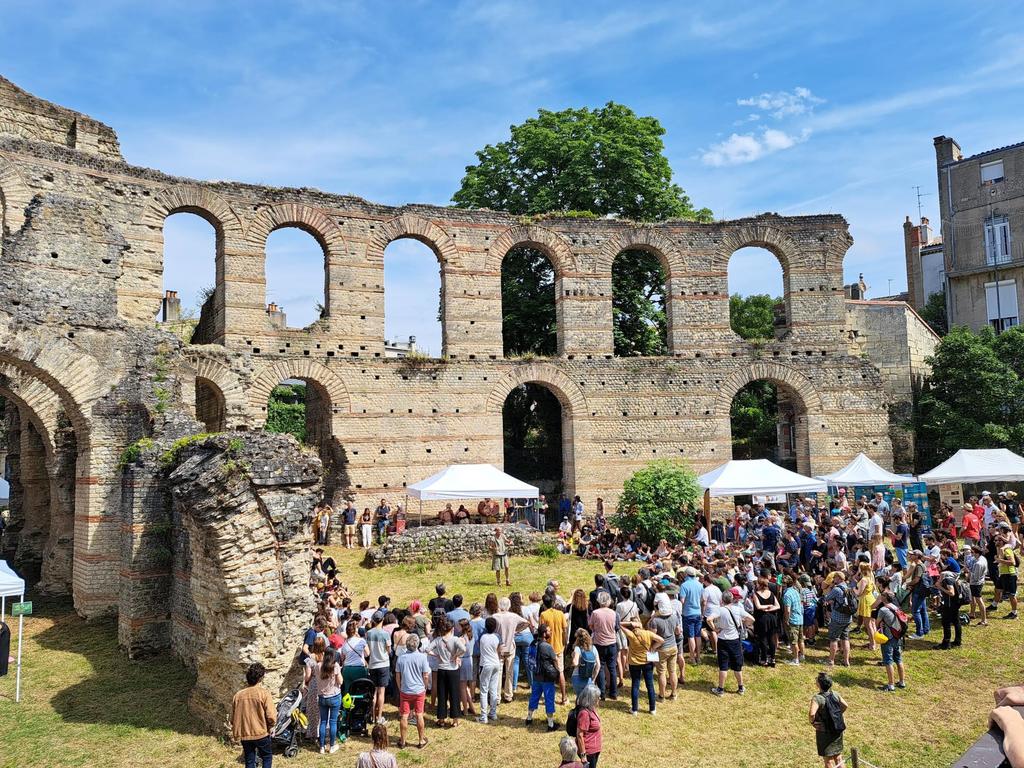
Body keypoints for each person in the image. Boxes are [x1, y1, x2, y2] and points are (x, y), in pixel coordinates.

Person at [230, 662, 276, 768]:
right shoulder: (264, 693)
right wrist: (271, 725)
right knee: (267, 757)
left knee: (249, 760)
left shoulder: (238, 695)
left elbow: (233, 718)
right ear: (261, 678)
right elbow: (271, 716)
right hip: (261, 733)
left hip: (245, 734)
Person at [710, 589, 753, 696]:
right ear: (732, 599)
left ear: (722, 600)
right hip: (734, 639)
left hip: (723, 639)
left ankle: (720, 689)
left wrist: (715, 629)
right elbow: (751, 618)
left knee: (723, 665)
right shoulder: (737, 609)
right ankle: (741, 687)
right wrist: (744, 623)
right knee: (737, 665)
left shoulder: (720, 610)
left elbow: (709, 619)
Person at [427, 615, 466, 728]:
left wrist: (437, 655)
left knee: (442, 694)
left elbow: (427, 649)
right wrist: (456, 655)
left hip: (442, 669)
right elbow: (463, 649)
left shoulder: (438, 640)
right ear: (452, 629)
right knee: (454, 694)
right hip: (453, 670)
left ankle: (441, 719)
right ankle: (455, 720)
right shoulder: (455, 639)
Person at [394, 634, 430, 749]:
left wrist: (400, 688)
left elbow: (397, 675)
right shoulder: (422, 657)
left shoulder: (401, 658)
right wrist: (425, 687)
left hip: (405, 690)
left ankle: (403, 741)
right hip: (419, 690)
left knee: (404, 715)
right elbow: (425, 675)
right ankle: (421, 740)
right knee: (419, 714)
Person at [621, 619, 663, 715]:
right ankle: (652, 709)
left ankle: (634, 709)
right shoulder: (648, 633)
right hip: (647, 662)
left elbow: (619, 624)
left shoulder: (631, 634)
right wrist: (653, 647)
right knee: (650, 685)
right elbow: (661, 640)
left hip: (634, 663)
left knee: (635, 685)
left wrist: (630, 623)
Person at [809, 672, 848, 768]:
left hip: (824, 732)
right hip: (837, 729)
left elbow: (812, 713)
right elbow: (845, 705)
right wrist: (836, 715)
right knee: (838, 757)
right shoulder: (835, 694)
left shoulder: (817, 698)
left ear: (819, 684)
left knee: (828, 761)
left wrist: (812, 722)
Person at [526, 623, 560, 731]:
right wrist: (558, 672)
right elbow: (555, 660)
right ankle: (550, 724)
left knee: (534, 696)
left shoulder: (533, 643)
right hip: (547, 677)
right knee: (549, 698)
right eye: (549, 631)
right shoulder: (547, 646)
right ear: (544, 633)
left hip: (536, 675)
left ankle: (529, 718)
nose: (550, 632)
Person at [874, 590, 907, 692]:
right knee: (898, 659)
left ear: (884, 598)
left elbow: (877, 623)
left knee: (888, 661)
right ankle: (902, 682)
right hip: (898, 637)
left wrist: (881, 624)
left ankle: (891, 684)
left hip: (888, 638)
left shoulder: (883, 610)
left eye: (882, 595)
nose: (880, 596)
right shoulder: (895, 607)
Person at [539, 593, 569, 705]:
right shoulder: (560, 613)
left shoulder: (543, 615)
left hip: (547, 648)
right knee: (560, 672)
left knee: (547, 673)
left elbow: (541, 631)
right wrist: (565, 642)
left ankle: (548, 697)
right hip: (558, 647)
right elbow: (565, 630)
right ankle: (564, 697)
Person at [649, 600, 680, 701]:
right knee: (672, 671)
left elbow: (652, 636)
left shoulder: (655, 620)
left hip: (661, 649)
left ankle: (661, 695)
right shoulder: (674, 617)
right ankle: (674, 694)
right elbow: (678, 631)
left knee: (661, 673)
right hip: (673, 646)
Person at [316, 648, 345, 754]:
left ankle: (322, 746)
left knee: (323, 721)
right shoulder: (335, 666)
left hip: (322, 696)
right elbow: (340, 681)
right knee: (333, 722)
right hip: (334, 696)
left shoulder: (318, 666)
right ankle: (332, 745)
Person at [365, 611, 392, 725]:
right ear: (382, 620)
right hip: (383, 664)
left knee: (374, 692)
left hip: (373, 663)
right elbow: (389, 649)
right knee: (381, 692)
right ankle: (379, 717)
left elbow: (367, 649)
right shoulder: (385, 634)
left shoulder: (369, 633)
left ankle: (372, 715)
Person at [824, 572, 852, 667]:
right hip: (848, 618)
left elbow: (827, 598)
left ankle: (831, 660)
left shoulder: (836, 589)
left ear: (838, 578)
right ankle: (846, 661)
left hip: (837, 617)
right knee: (845, 639)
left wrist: (831, 588)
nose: (833, 579)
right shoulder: (848, 587)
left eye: (834, 577)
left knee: (834, 639)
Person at [477, 616, 502, 723]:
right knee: (493, 690)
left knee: (483, 691)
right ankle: (493, 713)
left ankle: (483, 716)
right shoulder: (497, 637)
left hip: (485, 664)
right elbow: (499, 650)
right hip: (496, 663)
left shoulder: (482, 637)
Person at [302, 636, 326, 741]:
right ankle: (323, 731)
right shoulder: (326, 657)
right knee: (323, 710)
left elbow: (308, 675)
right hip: (324, 684)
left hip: (314, 684)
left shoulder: (310, 658)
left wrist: (306, 681)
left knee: (312, 710)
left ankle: (313, 732)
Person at [574, 684, 602, 768]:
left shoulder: (591, 709)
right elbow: (579, 734)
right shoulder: (584, 713)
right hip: (589, 752)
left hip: (594, 750)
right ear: (591, 699)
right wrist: (583, 755)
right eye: (597, 697)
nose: (599, 699)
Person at [570, 628, 601, 698]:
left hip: (577, 677)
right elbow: (598, 665)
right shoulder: (593, 648)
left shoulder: (577, 648)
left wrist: (574, 662)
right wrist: (593, 678)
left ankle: (578, 708)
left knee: (579, 698)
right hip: (588, 678)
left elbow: (575, 662)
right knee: (586, 700)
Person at [782, 574, 805, 665]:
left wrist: (787, 620)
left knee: (793, 641)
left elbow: (787, 610)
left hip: (793, 620)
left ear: (785, 584)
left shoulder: (787, 594)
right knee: (800, 639)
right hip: (800, 618)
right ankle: (802, 655)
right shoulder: (795, 591)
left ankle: (796, 660)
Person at [968, 544, 989, 625]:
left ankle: (984, 620)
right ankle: (972, 613)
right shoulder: (982, 558)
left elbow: (976, 577)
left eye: (972, 552)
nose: (971, 554)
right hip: (978, 582)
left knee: (979, 600)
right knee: (972, 598)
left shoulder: (979, 563)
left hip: (976, 583)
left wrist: (968, 573)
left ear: (977, 553)